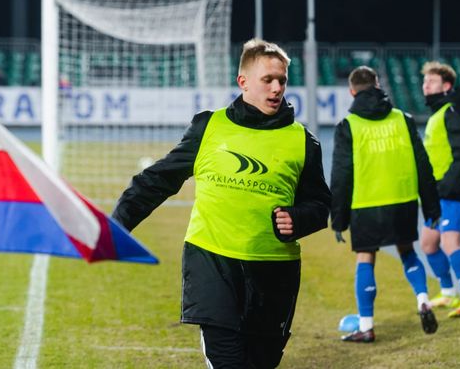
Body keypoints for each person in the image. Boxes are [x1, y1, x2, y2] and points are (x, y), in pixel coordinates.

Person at [112, 38, 331, 368]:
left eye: (281, 80)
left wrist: (299, 219)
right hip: (212, 262)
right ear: (243, 81)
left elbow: (320, 203)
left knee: (261, 361)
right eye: (267, 79)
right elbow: (157, 179)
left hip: (273, 270)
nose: (276, 88)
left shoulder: (303, 141)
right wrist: (117, 225)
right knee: (227, 360)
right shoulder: (209, 127)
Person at [331, 66, 441, 343]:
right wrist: (431, 207)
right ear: (378, 85)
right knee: (408, 252)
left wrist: (339, 219)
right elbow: (423, 165)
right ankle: (423, 299)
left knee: (365, 258)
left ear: (352, 91)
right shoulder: (403, 119)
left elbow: (341, 175)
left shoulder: (348, 126)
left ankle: (366, 326)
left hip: (366, 204)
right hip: (403, 201)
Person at [420, 61, 460, 317]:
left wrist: (447, 186)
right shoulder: (439, 113)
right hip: (440, 190)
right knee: (428, 244)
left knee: (450, 243)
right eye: (425, 82)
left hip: (454, 189)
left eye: (432, 81)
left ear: (446, 86)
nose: (426, 86)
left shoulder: (452, 111)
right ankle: (448, 292)